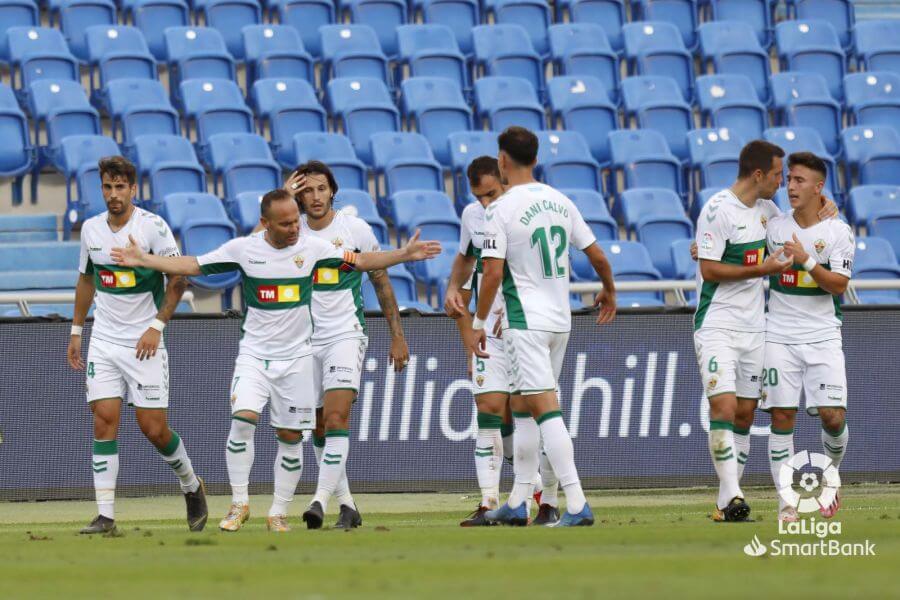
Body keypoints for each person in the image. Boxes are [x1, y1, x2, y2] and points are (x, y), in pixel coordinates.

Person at [111, 189, 441, 532]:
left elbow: (361, 262)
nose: (294, 228)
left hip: (298, 359)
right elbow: (194, 264)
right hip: (254, 356)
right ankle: (239, 504)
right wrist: (145, 260)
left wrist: (403, 254)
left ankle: (278, 512)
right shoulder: (244, 249)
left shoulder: (313, 249)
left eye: (295, 221)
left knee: (290, 437)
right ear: (266, 224)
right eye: (285, 224)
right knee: (243, 420)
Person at [469, 126, 616, 527]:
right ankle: (518, 501)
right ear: (535, 158)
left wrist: (479, 322)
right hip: (559, 320)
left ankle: (578, 502)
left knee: (546, 410)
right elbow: (598, 255)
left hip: (524, 322)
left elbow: (493, 274)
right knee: (523, 407)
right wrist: (610, 290)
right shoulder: (560, 200)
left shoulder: (501, 209)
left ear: (502, 160)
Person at [67, 155, 208, 534]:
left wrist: (157, 325)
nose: (113, 194)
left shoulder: (154, 228)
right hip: (105, 341)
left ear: (133, 189)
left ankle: (191, 484)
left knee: (153, 428)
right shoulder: (91, 230)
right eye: (107, 187)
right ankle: (105, 515)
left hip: (144, 342)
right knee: (104, 420)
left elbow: (180, 279)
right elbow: (87, 280)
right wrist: (77, 331)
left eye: (120, 187)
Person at [282, 161, 410, 530]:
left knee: (337, 417)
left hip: (345, 334)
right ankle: (348, 506)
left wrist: (397, 335)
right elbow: (254, 248)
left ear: (332, 191)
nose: (315, 196)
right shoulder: (289, 233)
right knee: (319, 426)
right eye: (307, 190)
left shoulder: (354, 230)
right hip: (303, 340)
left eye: (322, 188)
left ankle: (319, 502)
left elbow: (381, 281)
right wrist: (283, 199)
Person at [445, 156, 560, 526]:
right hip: (488, 332)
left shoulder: (527, 211)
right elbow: (466, 259)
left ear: (505, 180)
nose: (484, 203)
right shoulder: (472, 217)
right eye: (478, 196)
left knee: (535, 415)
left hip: (524, 326)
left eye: (490, 194)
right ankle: (489, 502)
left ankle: (546, 497)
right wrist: (452, 287)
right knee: (489, 410)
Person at [761, 152, 854, 522]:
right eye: (789, 180)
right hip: (779, 335)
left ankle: (830, 477)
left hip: (822, 336)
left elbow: (839, 286)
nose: (792, 186)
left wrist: (806, 261)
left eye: (800, 181)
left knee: (833, 417)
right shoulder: (774, 225)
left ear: (819, 188)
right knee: (782, 416)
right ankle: (787, 503)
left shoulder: (837, 231)